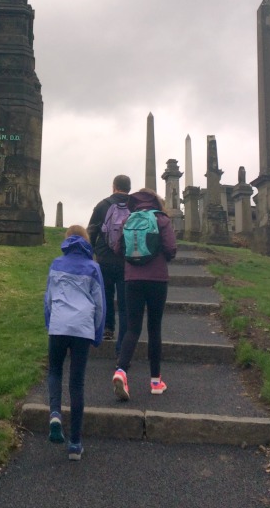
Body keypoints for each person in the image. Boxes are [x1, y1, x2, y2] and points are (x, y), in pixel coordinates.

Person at [44, 224, 105, 461]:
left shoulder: (56, 264)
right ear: (86, 241)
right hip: (82, 328)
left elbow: (48, 299)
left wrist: (50, 323)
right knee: (77, 383)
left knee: (55, 371)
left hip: (59, 325)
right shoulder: (93, 267)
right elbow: (100, 305)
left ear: (66, 241)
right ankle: (75, 444)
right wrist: (98, 333)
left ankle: (55, 413)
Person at [112, 188, 177, 400]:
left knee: (132, 328)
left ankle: (121, 371)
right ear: (156, 201)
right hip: (157, 279)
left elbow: (118, 248)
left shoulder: (128, 220)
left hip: (132, 279)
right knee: (154, 327)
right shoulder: (162, 220)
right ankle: (156, 381)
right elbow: (171, 248)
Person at [87, 175, 131, 354]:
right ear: (129, 188)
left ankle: (107, 328)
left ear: (114, 187)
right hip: (127, 259)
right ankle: (125, 337)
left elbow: (92, 230)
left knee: (105, 295)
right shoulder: (134, 205)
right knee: (124, 299)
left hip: (105, 257)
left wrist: (91, 253)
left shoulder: (102, 205)